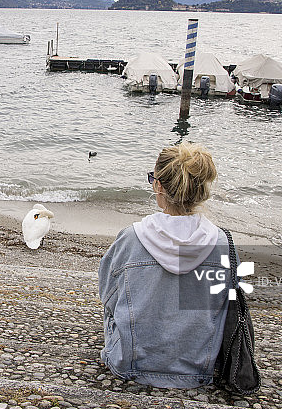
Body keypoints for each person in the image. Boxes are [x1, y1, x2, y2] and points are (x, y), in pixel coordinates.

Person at [98, 142, 232, 388]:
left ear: (158, 185)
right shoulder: (220, 242)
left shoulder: (131, 237)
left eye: (153, 179)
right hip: (198, 367)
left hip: (131, 363)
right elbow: (222, 303)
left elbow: (107, 295)